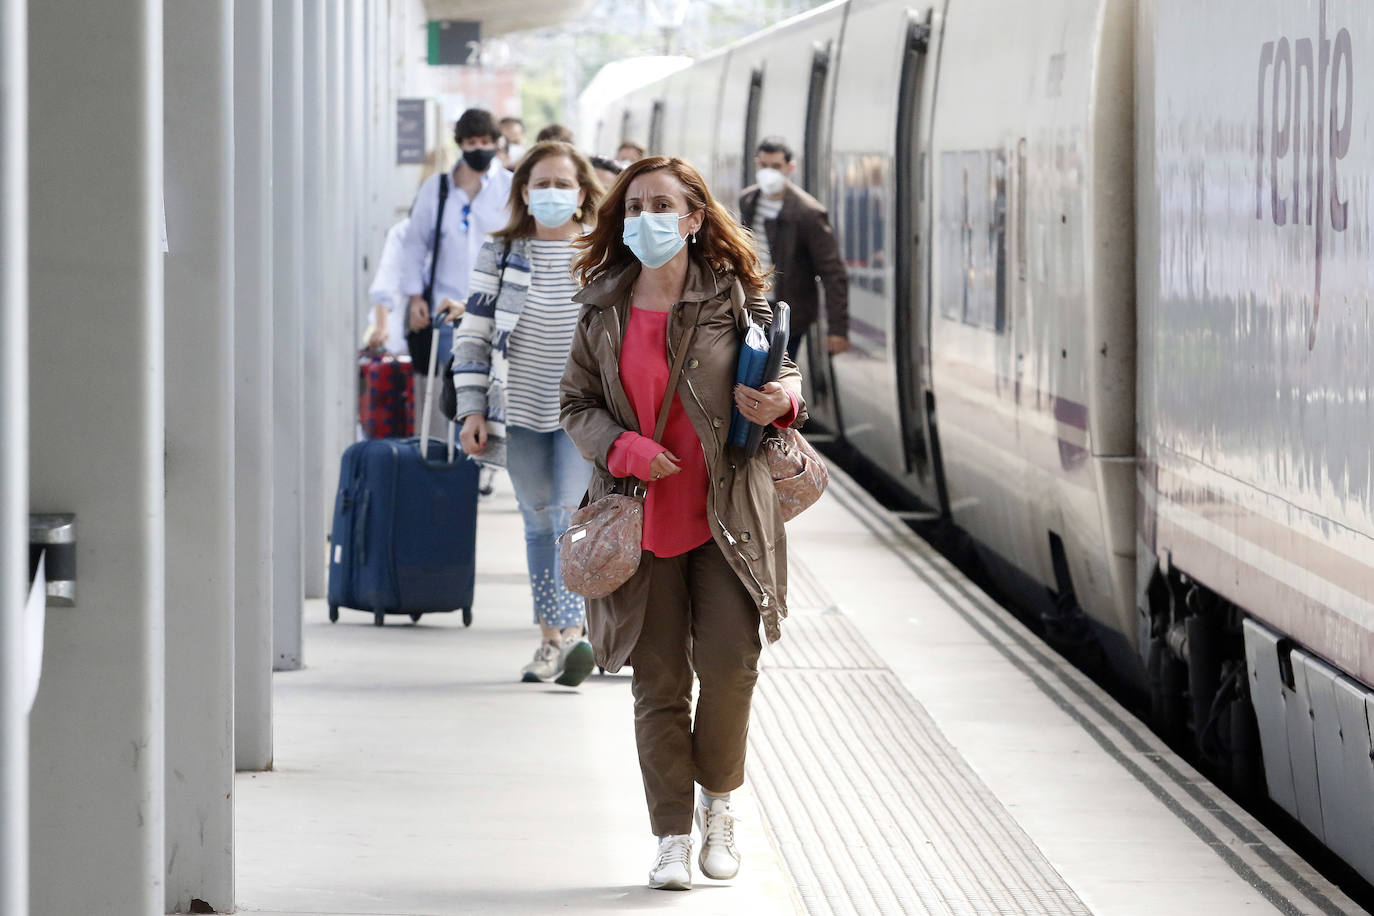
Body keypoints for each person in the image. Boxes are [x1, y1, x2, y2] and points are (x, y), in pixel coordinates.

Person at [561, 156, 805, 891]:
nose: (645, 219)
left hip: (727, 512)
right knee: (659, 681)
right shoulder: (602, 305)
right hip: (640, 519)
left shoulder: (734, 296)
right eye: (634, 206)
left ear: (695, 218)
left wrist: (783, 405)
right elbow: (576, 405)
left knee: (730, 667)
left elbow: (784, 372)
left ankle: (719, 805)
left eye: (662, 206)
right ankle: (670, 836)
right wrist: (624, 446)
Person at [449, 141, 602, 686]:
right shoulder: (501, 253)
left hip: (581, 415)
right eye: (542, 184)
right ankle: (551, 640)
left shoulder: (600, 253)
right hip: (516, 411)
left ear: (582, 194)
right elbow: (474, 336)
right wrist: (471, 411)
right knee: (537, 521)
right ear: (524, 193)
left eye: (563, 184)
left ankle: (577, 634)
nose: (553, 193)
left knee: (569, 518)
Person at [396, 108, 513, 441]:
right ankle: (437, 459)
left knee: (487, 394)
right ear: (460, 144)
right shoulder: (438, 189)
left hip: (492, 307)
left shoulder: (509, 186)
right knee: (441, 394)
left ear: (496, 142)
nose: (480, 149)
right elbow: (414, 244)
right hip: (443, 309)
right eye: (472, 142)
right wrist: (415, 296)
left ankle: (477, 465)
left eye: (487, 141)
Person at [738, 136, 850, 358]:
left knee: (775, 378)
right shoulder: (748, 200)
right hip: (751, 307)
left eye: (776, 166)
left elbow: (833, 272)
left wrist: (838, 329)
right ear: (756, 163)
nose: (768, 171)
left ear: (790, 168)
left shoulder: (808, 213)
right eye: (763, 165)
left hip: (789, 315)